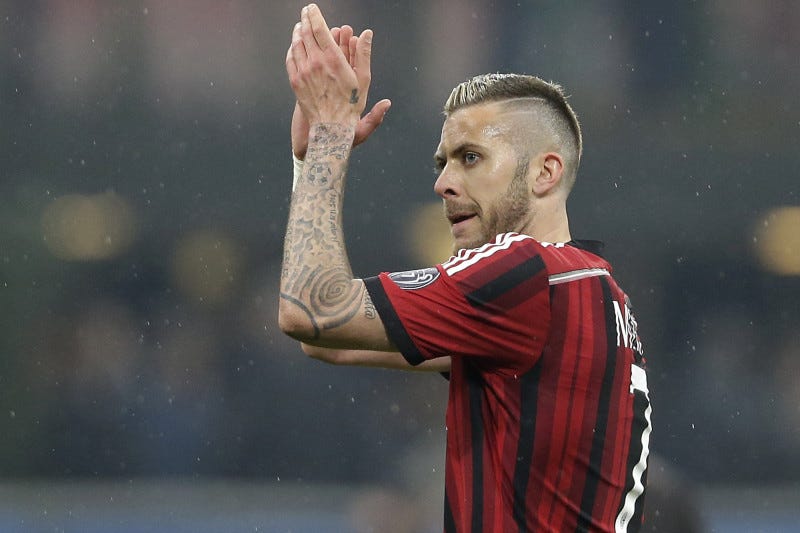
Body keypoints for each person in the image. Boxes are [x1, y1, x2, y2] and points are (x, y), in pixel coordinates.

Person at [280, 4, 651, 532]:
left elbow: (312, 312)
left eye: (471, 157)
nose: (444, 182)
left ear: (546, 171)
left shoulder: (520, 271)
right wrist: (309, 159)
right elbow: (327, 340)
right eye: (443, 162)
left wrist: (328, 146)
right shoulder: (598, 289)